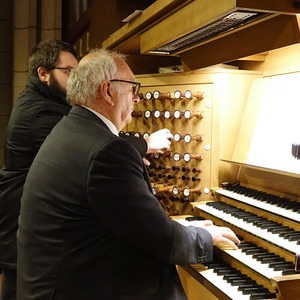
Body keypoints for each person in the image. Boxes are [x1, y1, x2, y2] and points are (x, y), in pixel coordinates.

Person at [17, 48, 240, 300]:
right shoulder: (107, 151)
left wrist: (179, 227)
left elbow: (131, 222)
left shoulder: (70, 128)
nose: (137, 99)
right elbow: (162, 241)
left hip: (56, 282)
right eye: (133, 88)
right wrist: (204, 238)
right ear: (108, 91)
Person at [0, 40, 172, 300]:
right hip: (35, 247)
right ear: (43, 74)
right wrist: (143, 146)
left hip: (46, 242)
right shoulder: (39, 114)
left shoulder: (53, 107)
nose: (75, 77)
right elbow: (95, 148)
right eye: (69, 71)